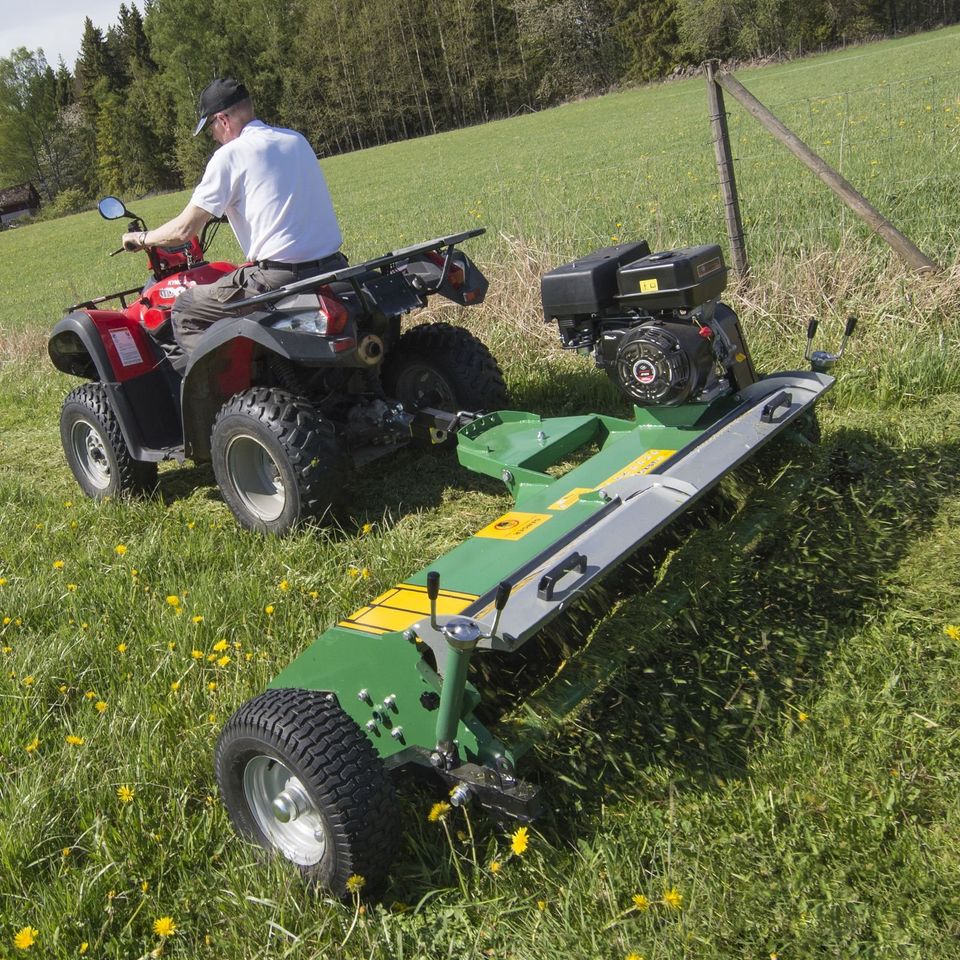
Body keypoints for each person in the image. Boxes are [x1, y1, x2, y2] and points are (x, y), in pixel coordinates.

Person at [121, 77, 347, 368]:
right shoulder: (295, 139)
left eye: (211, 129)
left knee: (186, 310)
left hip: (279, 278)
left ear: (223, 120)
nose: (214, 136)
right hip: (335, 266)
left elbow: (183, 230)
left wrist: (140, 239)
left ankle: (229, 397)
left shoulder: (229, 155)